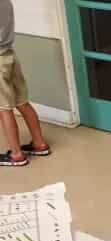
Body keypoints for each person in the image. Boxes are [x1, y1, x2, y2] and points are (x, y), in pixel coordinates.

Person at [0, 0, 51, 166]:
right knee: (22, 102)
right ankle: (39, 144)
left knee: (4, 108)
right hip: (9, 55)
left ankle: (16, 155)